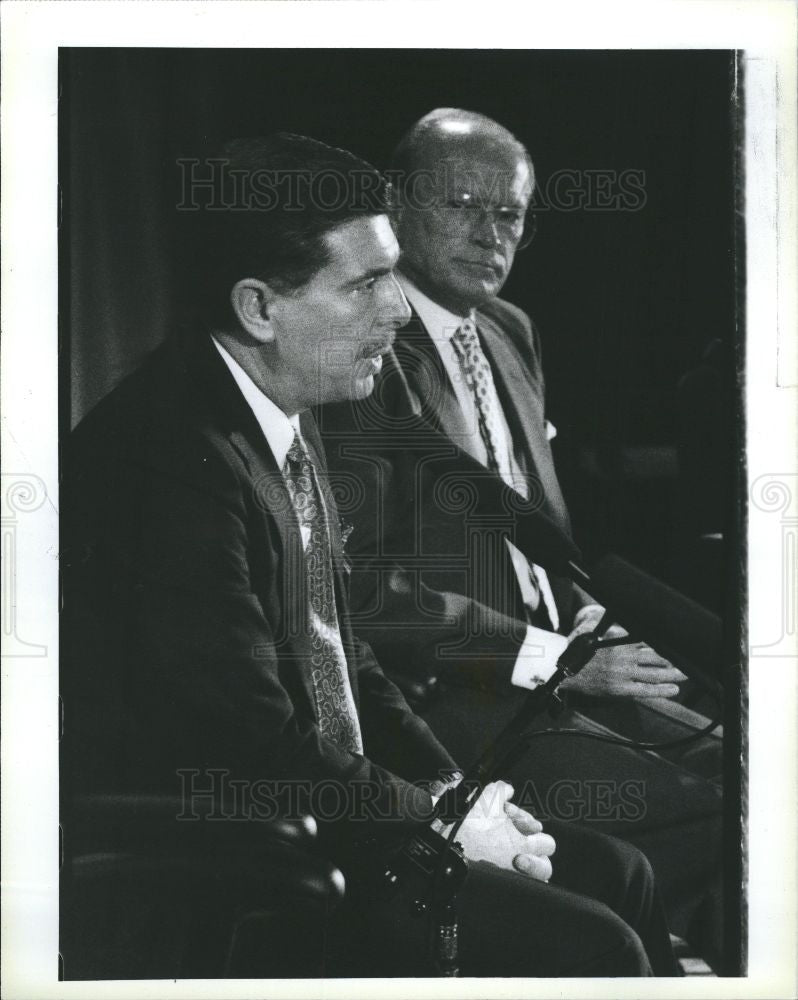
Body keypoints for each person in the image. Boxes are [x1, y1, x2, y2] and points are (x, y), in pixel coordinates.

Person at [62, 133, 678, 978]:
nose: (397, 308)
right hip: (245, 850)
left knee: (621, 871)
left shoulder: (282, 397)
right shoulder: (164, 461)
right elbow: (258, 744)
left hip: (333, 803)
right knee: (597, 943)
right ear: (259, 307)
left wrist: (458, 795)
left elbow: (345, 658)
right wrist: (433, 817)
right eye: (364, 284)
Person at [317, 110, 724, 967]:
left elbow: (542, 520)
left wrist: (583, 619)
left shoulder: (508, 329)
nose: (488, 231)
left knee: (740, 744)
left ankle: (670, 944)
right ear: (395, 202)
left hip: (560, 663)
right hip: (455, 699)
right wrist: (550, 655)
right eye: (462, 203)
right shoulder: (363, 352)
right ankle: (650, 946)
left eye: (509, 214)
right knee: (729, 800)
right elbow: (359, 591)